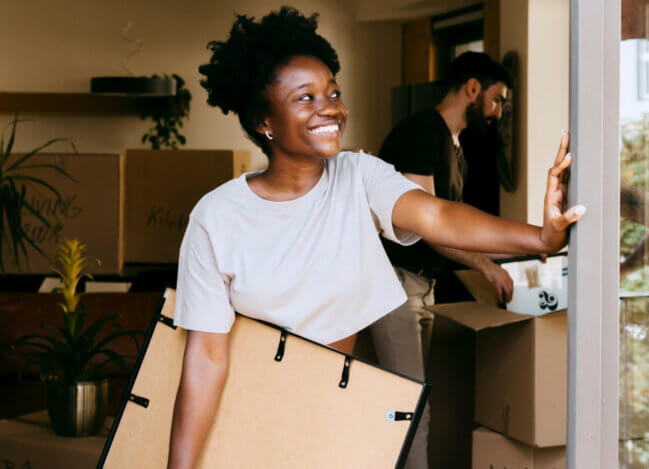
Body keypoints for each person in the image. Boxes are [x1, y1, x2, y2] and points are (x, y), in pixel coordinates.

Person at [167, 8, 584, 468]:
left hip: (337, 423)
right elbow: (205, 358)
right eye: (305, 98)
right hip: (249, 425)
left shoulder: (358, 176)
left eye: (333, 92)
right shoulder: (217, 217)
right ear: (265, 121)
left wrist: (542, 238)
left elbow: (440, 216)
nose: (330, 108)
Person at [372, 52, 519, 468]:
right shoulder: (421, 133)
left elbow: (457, 226)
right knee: (410, 405)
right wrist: (486, 265)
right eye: (498, 98)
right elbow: (432, 226)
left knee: (413, 402)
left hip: (422, 288)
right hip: (395, 286)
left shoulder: (458, 150)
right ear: (473, 88)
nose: (499, 110)